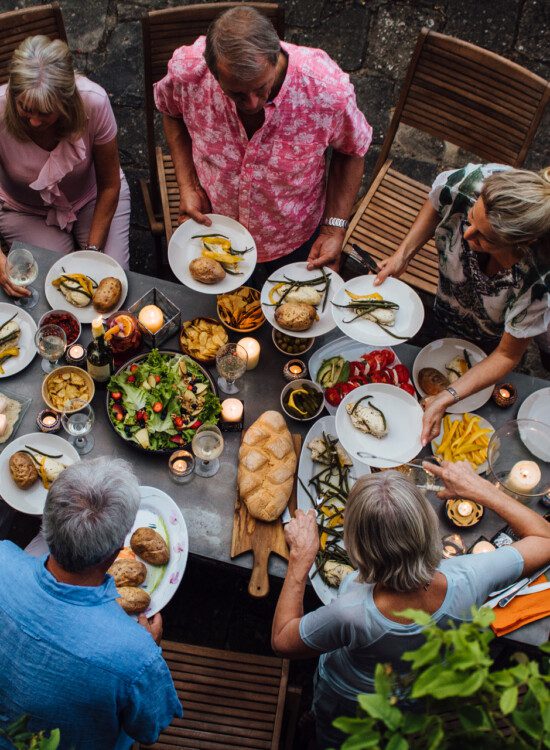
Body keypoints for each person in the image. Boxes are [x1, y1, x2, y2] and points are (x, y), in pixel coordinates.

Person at [271, 465, 550, 749]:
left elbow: (283, 640)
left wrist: (301, 560)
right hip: (417, 694)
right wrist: (483, 490)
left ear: (356, 546)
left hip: (349, 701)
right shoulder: (471, 576)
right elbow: (545, 539)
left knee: (333, 739)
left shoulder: (351, 613)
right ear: (428, 528)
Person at [154, 5, 372, 276]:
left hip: (295, 238)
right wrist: (187, 185)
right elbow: (171, 112)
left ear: (275, 56)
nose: (253, 104)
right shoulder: (188, 73)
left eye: (261, 88)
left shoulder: (326, 90)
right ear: (212, 72)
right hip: (215, 227)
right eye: (236, 94)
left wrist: (334, 228)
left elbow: (352, 151)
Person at [0, 457, 182, 750]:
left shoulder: (3, 557)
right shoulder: (134, 654)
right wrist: (151, 645)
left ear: (45, 524)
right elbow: (150, 729)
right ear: (115, 553)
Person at [373, 163, 550, 443]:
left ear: (522, 244)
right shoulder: (467, 184)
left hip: (491, 331)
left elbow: (507, 355)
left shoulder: (539, 282)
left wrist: (447, 396)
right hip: (450, 296)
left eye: (486, 238)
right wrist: (402, 255)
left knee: (486, 353)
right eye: (470, 218)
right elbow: (436, 202)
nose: (467, 236)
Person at [0, 35, 131, 298]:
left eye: (46, 112)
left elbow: (109, 184)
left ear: (68, 101)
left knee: (109, 283)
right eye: (26, 109)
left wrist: (93, 253)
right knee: (48, 293)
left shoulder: (94, 101)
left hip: (93, 198)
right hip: (27, 211)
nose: (34, 122)